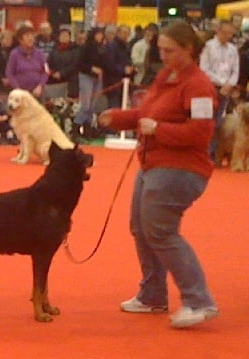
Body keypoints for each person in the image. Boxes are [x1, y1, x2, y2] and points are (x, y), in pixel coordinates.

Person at [98, 20, 219, 329]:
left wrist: (160, 129)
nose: (162, 55)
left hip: (181, 170)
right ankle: (152, 295)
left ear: (188, 49)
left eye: (169, 50)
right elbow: (145, 115)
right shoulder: (167, 76)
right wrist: (117, 118)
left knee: (162, 232)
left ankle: (198, 301)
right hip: (153, 164)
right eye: (160, 49)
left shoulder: (200, 85)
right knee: (141, 228)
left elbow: (202, 134)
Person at [199, 20, 239, 161]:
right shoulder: (208, 47)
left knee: (219, 122)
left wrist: (229, 84)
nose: (228, 36)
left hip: (226, 90)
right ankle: (204, 152)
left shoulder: (233, 49)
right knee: (206, 122)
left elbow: (235, 70)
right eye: (226, 33)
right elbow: (204, 69)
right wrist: (221, 83)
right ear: (218, 31)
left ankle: (215, 152)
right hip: (209, 88)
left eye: (231, 33)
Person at [73, 27, 105, 141]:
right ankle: (75, 128)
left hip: (98, 78)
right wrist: (92, 68)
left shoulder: (102, 48)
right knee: (85, 105)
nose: (100, 37)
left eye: (101, 34)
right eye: (98, 34)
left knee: (92, 106)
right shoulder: (85, 48)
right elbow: (79, 64)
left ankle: (87, 130)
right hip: (86, 76)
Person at [6, 24, 48, 101]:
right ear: (20, 39)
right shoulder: (14, 54)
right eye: (27, 35)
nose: (30, 38)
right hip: (21, 93)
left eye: (32, 35)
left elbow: (45, 72)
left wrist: (40, 86)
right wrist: (18, 89)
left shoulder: (40, 53)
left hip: (38, 92)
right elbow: (9, 73)